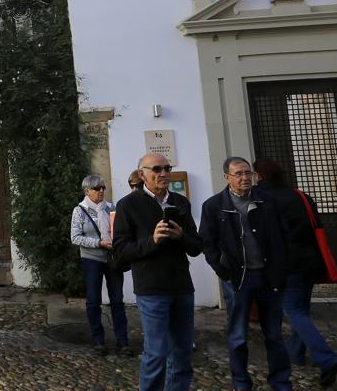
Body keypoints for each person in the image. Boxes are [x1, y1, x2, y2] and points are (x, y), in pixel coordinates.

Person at [199, 157, 292, 391]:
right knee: (238, 336)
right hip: (237, 280)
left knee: (274, 334)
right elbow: (207, 242)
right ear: (227, 177)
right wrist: (223, 270)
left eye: (247, 173)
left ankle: (281, 382)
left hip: (268, 277)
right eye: (238, 174)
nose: (244, 178)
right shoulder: (214, 206)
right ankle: (241, 383)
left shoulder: (267, 201)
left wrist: (280, 266)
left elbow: (283, 234)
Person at [112, 153, 202, 391]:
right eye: (156, 169)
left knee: (182, 352)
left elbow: (196, 247)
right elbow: (121, 251)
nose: (163, 173)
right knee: (156, 352)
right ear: (142, 174)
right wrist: (152, 240)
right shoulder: (127, 205)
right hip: (151, 288)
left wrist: (181, 236)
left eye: (167, 168)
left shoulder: (180, 202)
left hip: (182, 286)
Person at [254, 158, 337, 388]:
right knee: (302, 309)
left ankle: (327, 359)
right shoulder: (300, 196)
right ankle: (295, 352)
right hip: (310, 262)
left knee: (294, 311)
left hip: (287, 264)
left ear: (259, 176)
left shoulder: (261, 199)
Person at [70, 174, 129, 356]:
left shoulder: (111, 208)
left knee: (117, 300)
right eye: (97, 188)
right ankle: (98, 341)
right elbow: (75, 237)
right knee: (93, 301)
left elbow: (120, 231)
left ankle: (123, 341)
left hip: (112, 259)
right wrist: (98, 243)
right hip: (91, 259)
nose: (101, 191)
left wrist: (116, 242)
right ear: (87, 191)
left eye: (103, 187)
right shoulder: (79, 211)